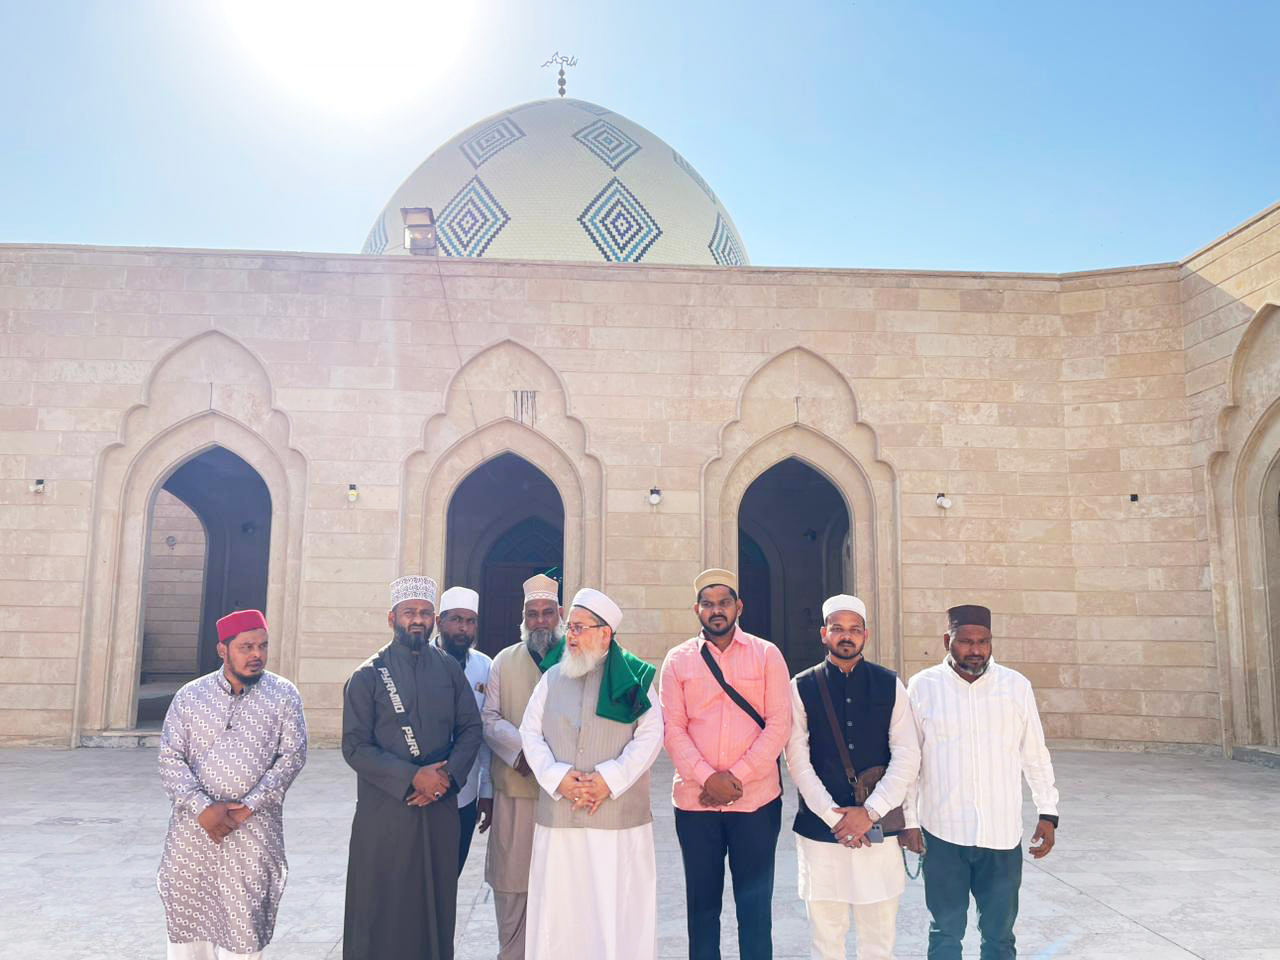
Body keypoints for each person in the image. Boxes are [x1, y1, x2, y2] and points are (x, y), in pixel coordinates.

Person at [341, 575, 484, 960]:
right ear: (392, 618)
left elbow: (471, 728)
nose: (417, 620)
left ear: (434, 619)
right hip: (386, 810)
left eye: (424, 613)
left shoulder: (450, 670)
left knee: (435, 898)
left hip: (439, 806)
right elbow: (355, 746)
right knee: (380, 900)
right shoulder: (368, 675)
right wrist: (411, 777)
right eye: (409, 612)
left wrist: (445, 777)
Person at [908, 604, 1060, 960]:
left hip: (1001, 835)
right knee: (945, 932)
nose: (975, 649)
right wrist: (909, 821)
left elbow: (1035, 754)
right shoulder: (923, 686)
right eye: (966, 641)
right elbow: (910, 760)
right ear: (947, 641)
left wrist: (1048, 812)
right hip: (942, 833)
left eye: (984, 641)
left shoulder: (1015, 686)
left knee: (999, 936)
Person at [519, 587, 663, 960]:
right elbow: (529, 733)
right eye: (570, 626)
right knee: (560, 915)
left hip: (618, 821)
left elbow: (650, 736)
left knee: (616, 912)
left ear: (605, 633)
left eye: (580, 628)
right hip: (560, 816)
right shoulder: (552, 678)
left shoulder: (635, 679)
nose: (570, 635)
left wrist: (608, 781)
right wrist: (558, 778)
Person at [157, 609, 308, 960]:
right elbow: (169, 757)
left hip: (254, 831)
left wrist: (248, 806)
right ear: (222, 649)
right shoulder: (190, 696)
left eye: (263, 646)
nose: (257, 654)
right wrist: (202, 808)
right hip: (194, 832)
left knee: (245, 928)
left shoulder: (283, 694)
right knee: (189, 931)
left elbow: (293, 756)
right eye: (246, 647)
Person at [659, 568, 791, 960]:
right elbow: (672, 728)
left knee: (755, 911)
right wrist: (706, 778)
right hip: (695, 804)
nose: (716, 610)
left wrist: (735, 778)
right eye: (708, 604)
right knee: (702, 910)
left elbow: (779, 724)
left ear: (739, 607)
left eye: (724, 603)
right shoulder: (678, 660)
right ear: (696, 609)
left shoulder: (767, 654)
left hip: (756, 802)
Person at [784, 594, 920, 960]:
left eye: (854, 629)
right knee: (826, 937)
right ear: (824, 633)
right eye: (838, 629)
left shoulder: (890, 684)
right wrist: (835, 818)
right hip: (821, 831)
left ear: (866, 635)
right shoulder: (801, 686)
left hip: (878, 831)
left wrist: (870, 813)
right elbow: (796, 760)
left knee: (879, 937)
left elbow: (907, 755)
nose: (847, 636)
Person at [481, 573, 564, 960]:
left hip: (562, 796)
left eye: (547, 612)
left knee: (560, 889)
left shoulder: (577, 659)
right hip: (515, 791)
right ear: (523, 617)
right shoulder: (504, 661)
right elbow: (489, 718)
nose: (540, 621)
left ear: (560, 614)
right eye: (533, 614)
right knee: (512, 884)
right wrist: (526, 753)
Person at [436, 585, 493, 874]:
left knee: (452, 872)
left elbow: (486, 735)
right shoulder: (417, 661)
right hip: (421, 790)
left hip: (465, 793)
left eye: (470, 621)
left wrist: (487, 791)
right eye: (456, 619)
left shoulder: (485, 667)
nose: (463, 628)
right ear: (439, 622)